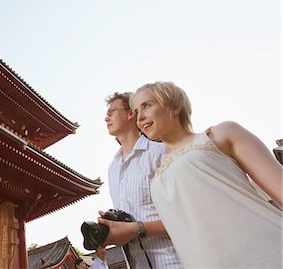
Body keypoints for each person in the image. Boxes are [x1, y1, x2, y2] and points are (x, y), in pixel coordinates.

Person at [103, 81, 282, 268]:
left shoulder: (221, 134)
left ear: (174, 107)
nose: (140, 118)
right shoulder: (157, 178)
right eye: (137, 112)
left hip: (266, 252)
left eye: (146, 106)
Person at [101, 92, 182, 268]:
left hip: (173, 261)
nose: (106, 117)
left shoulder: (159, 153)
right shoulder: (113, 168)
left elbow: (186, 217)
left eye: (112, 111)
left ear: (131, 114)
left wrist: (135, 229)